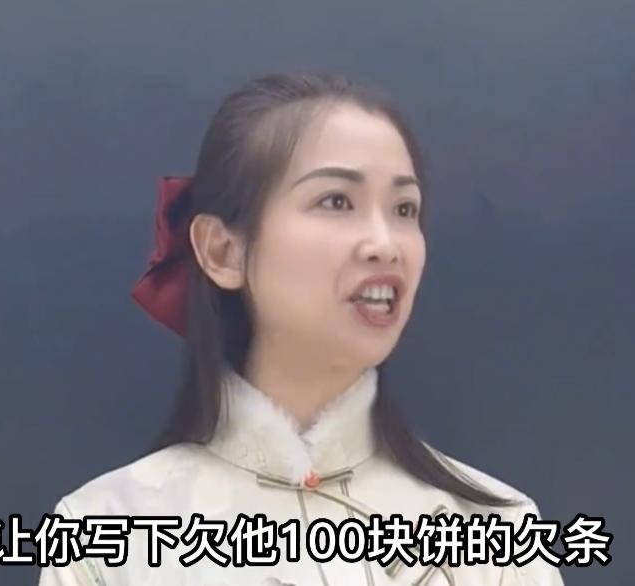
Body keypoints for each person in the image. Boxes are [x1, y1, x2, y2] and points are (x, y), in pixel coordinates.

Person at [38, 71, 565, 585]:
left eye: (405, 208)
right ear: (222, 251)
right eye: (336, 201)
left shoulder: (495, 535)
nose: (385, 244)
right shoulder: (108, 534)